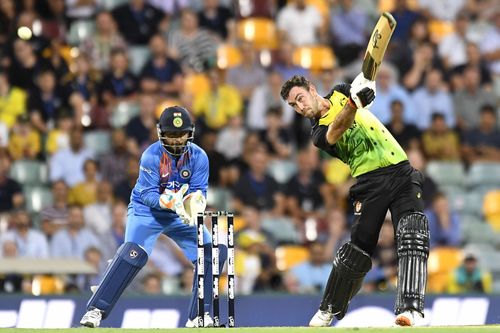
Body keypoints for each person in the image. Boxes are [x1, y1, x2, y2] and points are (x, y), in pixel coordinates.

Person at [280, 73, 430, 327]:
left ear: (312, 89)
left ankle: (410, 310)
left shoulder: (340, 91)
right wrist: (354, 103)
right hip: (370, 183)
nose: (300, 107)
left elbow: (365, 84)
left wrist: (366, 91)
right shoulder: (317, 133)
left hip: (402, 171)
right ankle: (329, 308)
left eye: (300, 99)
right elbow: (336, 130)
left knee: (413, 232)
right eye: (293, 106)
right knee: (356, 252)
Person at [79, 106, 227, 328]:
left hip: (178, 214)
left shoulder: (199, 156)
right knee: (133, 254)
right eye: (172, 134)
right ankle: (95, 310)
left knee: (213, 252)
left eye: (181, 134)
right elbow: (147, 195)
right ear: (161, 133)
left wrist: (193, 208)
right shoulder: (151, 155)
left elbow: (199, 192)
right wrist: (169, 202)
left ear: (190, 133)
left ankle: (198, 316)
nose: (177, 140)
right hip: (147, 211)